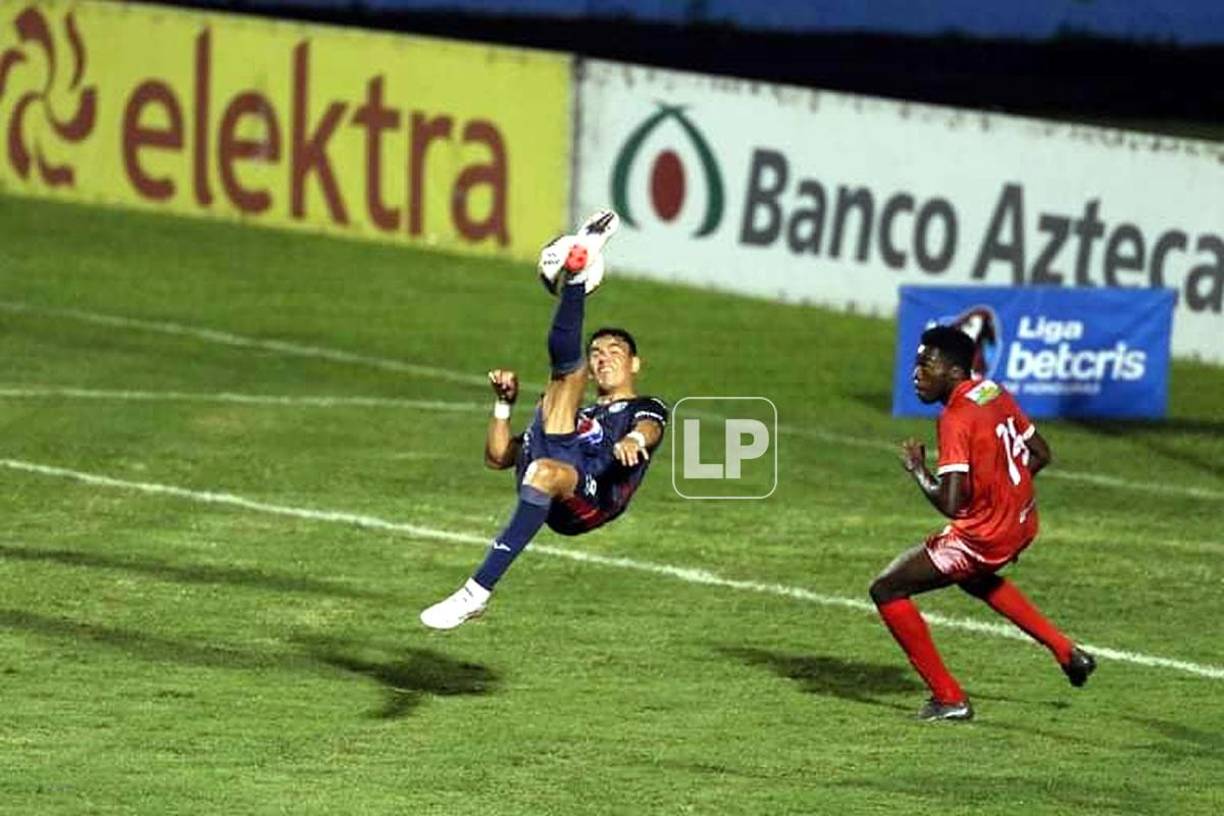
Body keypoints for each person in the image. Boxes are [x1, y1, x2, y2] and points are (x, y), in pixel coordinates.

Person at [420, 212, 668, 630]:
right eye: (596, 353)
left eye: (615, 351)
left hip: (594, 495)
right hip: (555, 473)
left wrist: (636, 441)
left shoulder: (645, 407)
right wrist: (503, 406)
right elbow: (498, 457)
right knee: (552, 400)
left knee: (554, 429)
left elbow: (651, 427)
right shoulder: (579, 415)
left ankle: (475, 593)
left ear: (635, 363)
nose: (604, 358)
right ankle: (576, 277)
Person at [870, 325, 1095, 721]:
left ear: (955, 372)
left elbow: (951, 503)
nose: (916, 375)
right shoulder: (992, 391)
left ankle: (949, 699)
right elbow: (1040, 453)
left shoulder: (955, 418)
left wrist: (918, 469)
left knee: (887, 589)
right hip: (1021, 522)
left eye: (927, 366)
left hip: (983, 537)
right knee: (975, 579)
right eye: (916, 365)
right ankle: (1067, 653)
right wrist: (1005, 496)